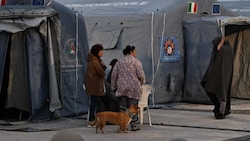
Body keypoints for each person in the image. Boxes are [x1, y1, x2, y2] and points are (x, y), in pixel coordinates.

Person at [111, 45, 145, 131]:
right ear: (131, 52)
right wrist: (141, 83)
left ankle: (123, 125)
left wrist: (113, 87)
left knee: (123, 107)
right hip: (134, 88)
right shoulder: (136, 62)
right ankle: (134, 125)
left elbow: (114, 75)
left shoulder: (119, 62)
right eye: (135, 52)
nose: (135, 53)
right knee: (133, 107)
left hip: (121, 87)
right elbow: (141, 75)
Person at [201, 37, 234, 119]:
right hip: (226, 75)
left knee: (219, 93)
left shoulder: (223, 50)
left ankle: (221, 112)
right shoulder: (229, 49)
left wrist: (221, 42)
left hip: (219, 75)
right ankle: (223, 110)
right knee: (223, 93)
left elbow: (218, 49)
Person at [85, 44, 107, 126]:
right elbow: (101, 73)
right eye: (101, 51)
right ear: (97, 52)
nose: (102, 53)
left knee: (94, 103)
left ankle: (93, 119)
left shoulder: (93, 61)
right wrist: (102, 65)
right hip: (95, 86)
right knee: (94, 104)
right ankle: (92, 120)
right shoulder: (95, 62)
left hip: (93, 86)